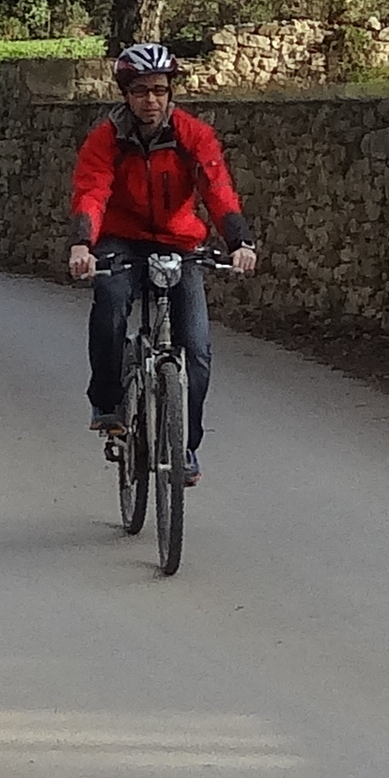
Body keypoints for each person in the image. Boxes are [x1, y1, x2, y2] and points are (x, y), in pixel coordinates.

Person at [65, 43, 259, 484]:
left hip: (179, 242)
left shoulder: (193, 135)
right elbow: (91, 192)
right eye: (139, 91)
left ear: (171, 92)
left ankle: (185, 447)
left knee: (198, 347)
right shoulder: (107, 138)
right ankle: (109, 403)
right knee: (110, 306)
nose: (150, 100)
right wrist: (82, 245)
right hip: (123, 240)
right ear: (125, 95)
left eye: (158, 90)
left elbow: (218, 189)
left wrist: (240, 241)